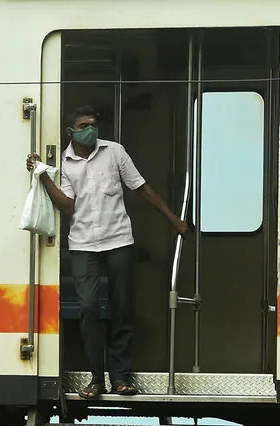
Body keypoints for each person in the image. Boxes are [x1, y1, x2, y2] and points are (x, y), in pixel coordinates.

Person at [25, 105, 188, 399]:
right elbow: (67, 206)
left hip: (119, 240)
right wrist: (42, 176)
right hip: (83, 243)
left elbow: (142, 188)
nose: (91, 129)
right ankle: (96, 379)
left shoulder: (114, 151)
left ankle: (122, 377)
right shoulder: (64, 162)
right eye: (84, 125)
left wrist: (173, 219)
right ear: (70, 132)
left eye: (93, 124)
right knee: (88, 309)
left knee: (122, 308)